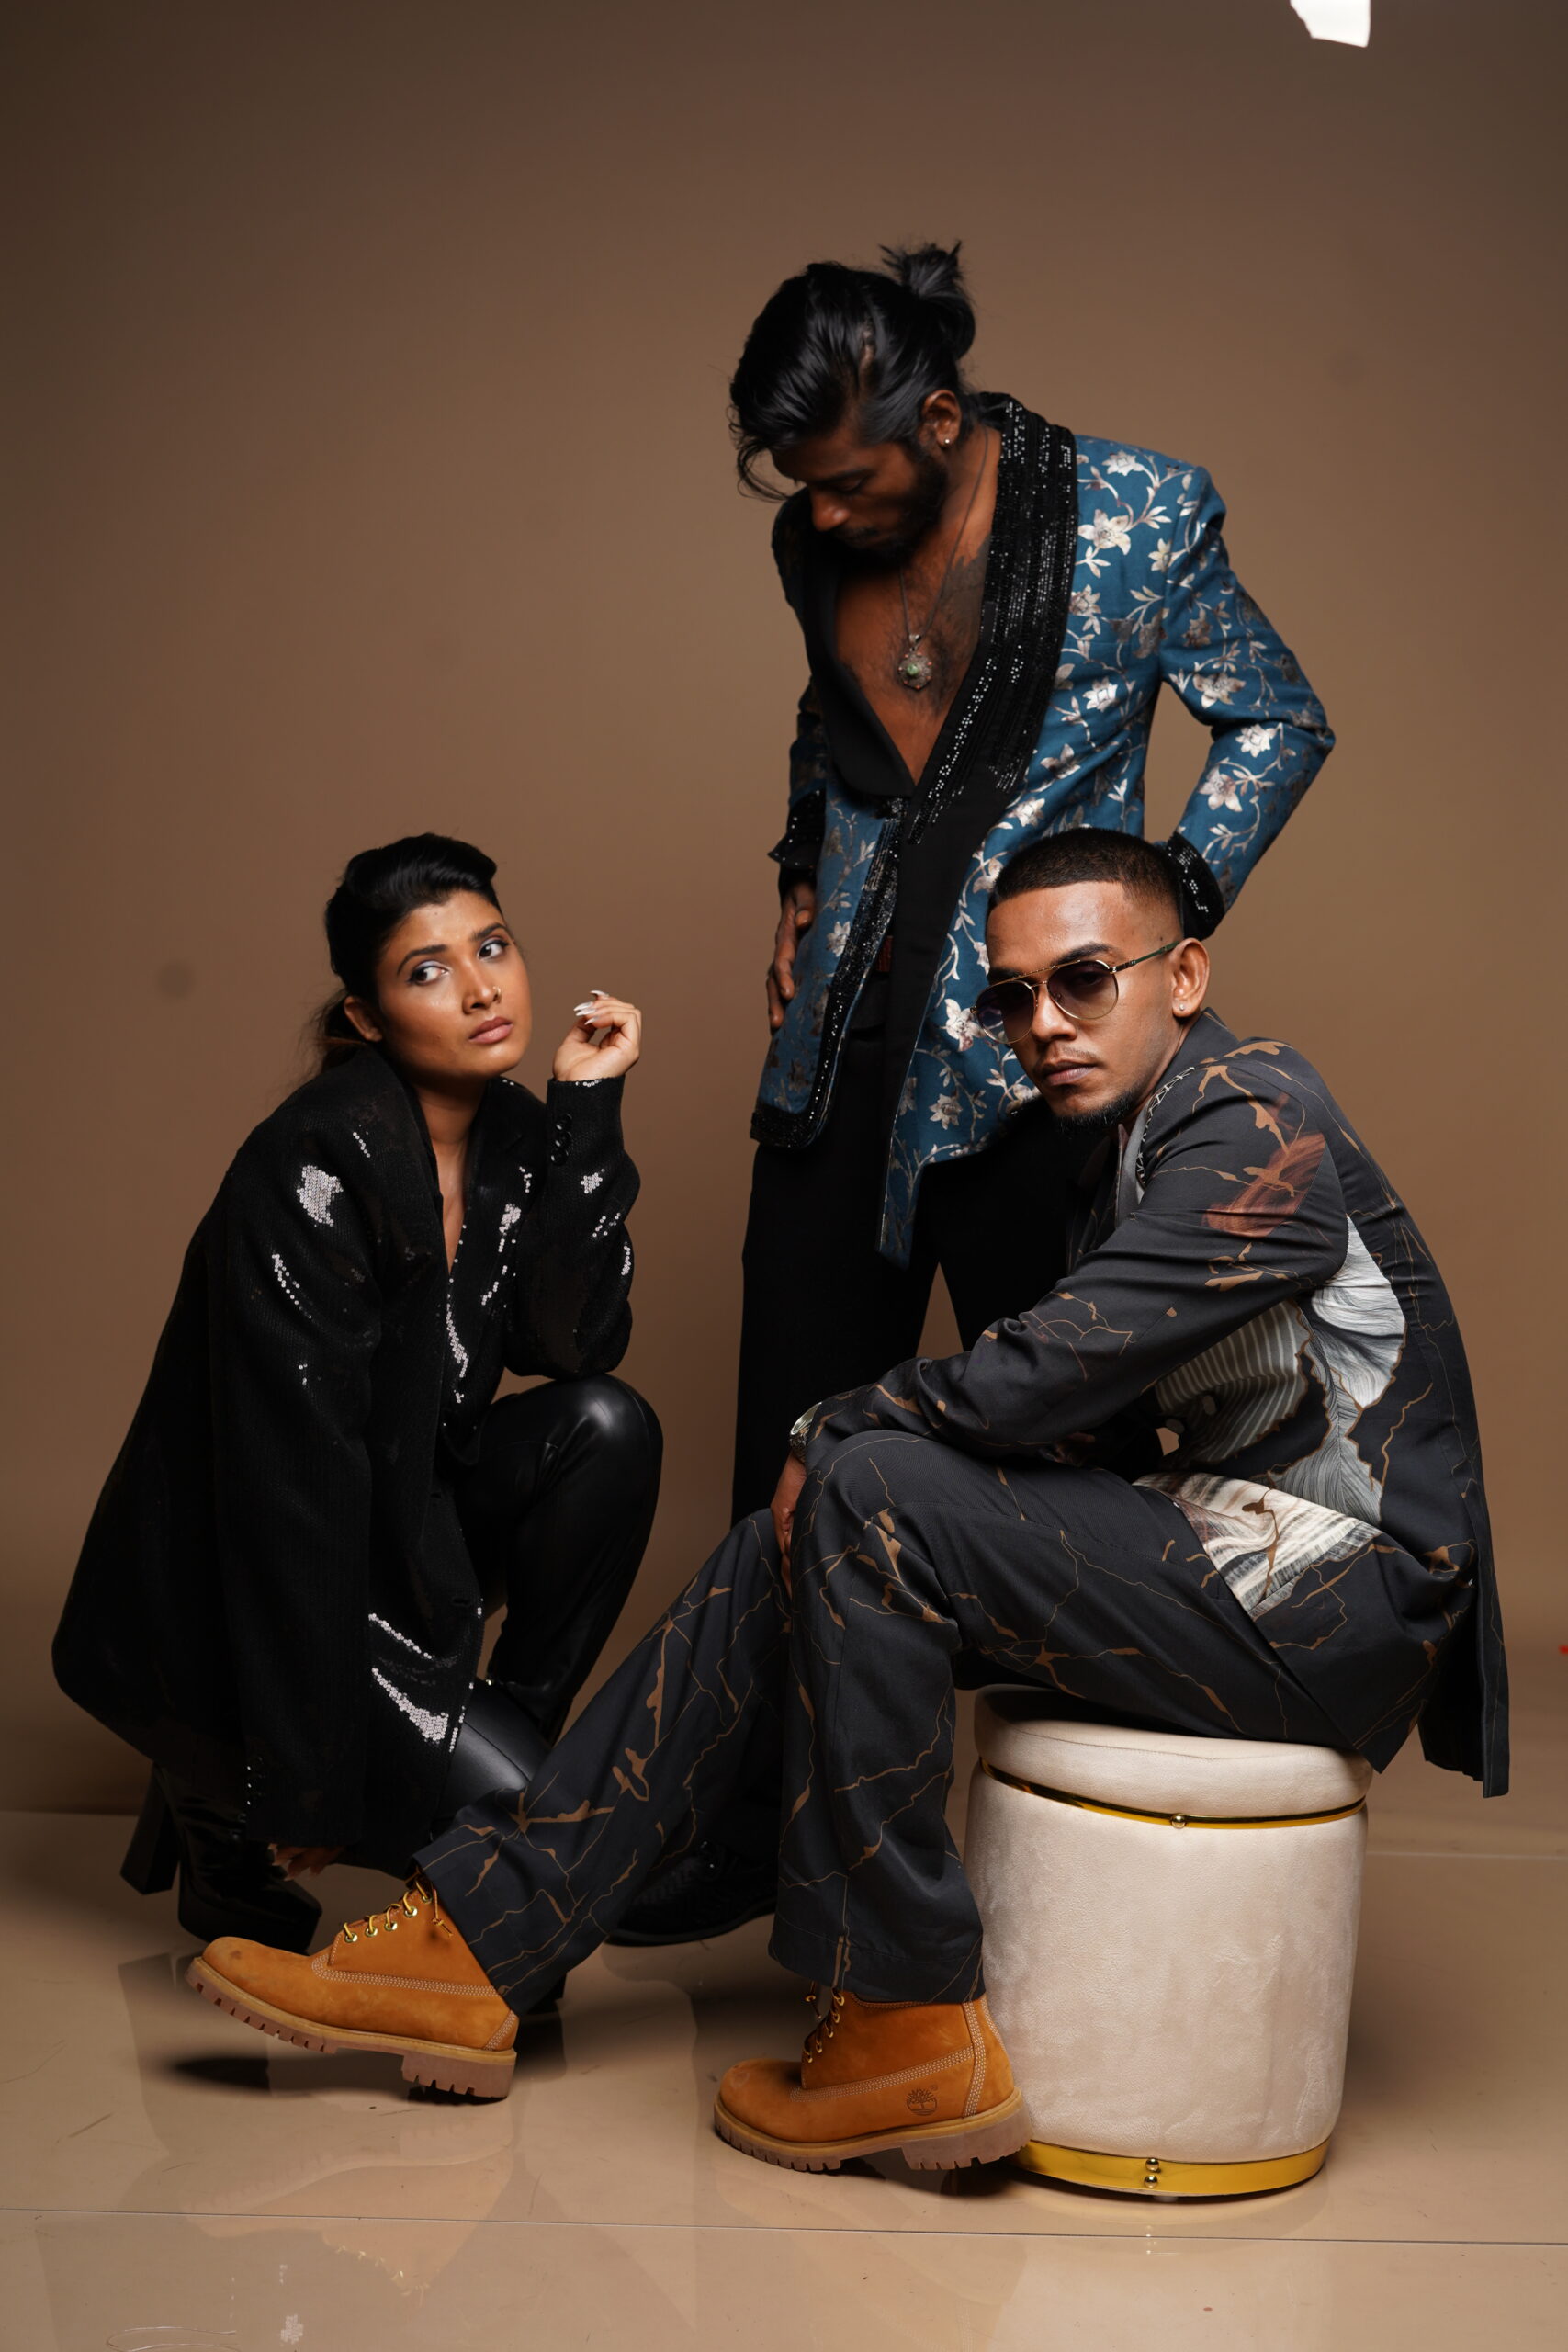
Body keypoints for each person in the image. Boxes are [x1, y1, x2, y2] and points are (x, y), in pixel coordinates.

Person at [186, 830, 1506, 2174]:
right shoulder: (1125, 1142)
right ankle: (474, 1946)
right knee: (798, 1532)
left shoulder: (1255, 1119)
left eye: (1083, 980)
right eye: (1013, 997)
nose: (1043, 1025)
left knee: (864, 1482)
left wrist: (834, 1426)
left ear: (1183, 976)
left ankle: (901, 2019)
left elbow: (1059, 1365)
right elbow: (1092, 1417)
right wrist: (852, 1462)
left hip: (1335, 1606)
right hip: (1221, 1558)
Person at [728, 244, 1336, 1520]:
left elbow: (1278, 719)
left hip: (1031, 1056)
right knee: (788, 1450)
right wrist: (799, 878)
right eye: (803, 488)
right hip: (837, 1050)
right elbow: (829, 717)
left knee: (1058, 1463)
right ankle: (787, 1662)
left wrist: (1155, 904)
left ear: (939, 420)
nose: (820, 516)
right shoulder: (809, 546)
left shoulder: (1139, 513)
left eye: (846, 483)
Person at [55, 833, 660, 1953]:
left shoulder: (518, 1134)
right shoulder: (308, 1168)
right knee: (539, 1856)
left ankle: (501, 1745)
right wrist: (308, 1779)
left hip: (400, 1532)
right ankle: (231, 1780)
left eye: (493, 947)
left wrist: (586, 1110)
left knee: (610, 1426)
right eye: (428, 970)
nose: (481, 988)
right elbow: (293, 1494)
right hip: (249, 1579)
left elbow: (575, 1342)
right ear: (367, 1018)